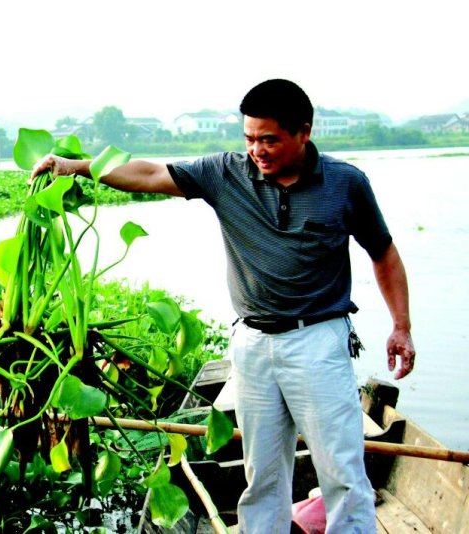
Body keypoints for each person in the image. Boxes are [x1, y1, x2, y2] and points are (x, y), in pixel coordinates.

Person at [31, 79, 416, 533]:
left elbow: (383, 252)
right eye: (250, 138)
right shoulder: (225, 173)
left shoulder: (346, 184)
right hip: (252, 342)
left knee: (342, 472)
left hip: (317, 339)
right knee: (262, 472)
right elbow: (151, 174)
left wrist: (401, 327)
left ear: (304, 132)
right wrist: (73, 166)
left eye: (269, 139)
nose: (257, 149)